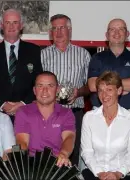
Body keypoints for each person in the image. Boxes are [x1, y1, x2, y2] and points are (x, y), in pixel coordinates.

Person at [41, 14, 91, 166]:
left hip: (74, 113)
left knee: (73, 156)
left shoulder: (83, 55)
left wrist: (78, 92)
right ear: (50, 33)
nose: (58, 32)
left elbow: (91, 86)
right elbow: (36, 85)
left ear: (70, 30)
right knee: (48, 156)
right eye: (54, 28)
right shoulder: (42, 55)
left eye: (62, 27)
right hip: (49, 114)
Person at [0, 9, 43, 121]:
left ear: (21, 25)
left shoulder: (34, 50)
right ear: (1, 25)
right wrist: (2, 104)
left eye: (15, 22)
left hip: (27, 113)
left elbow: (38, 82)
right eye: (7, 23)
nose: (11, 26)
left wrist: (23, 103)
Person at [81, 71, 130, 180]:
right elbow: (87, 152)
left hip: (121, 175)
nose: (104, 95)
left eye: (109, 90)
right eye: (100, 90)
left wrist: (118, 173)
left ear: (119, 91)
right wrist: (99, 173)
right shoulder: (88, 118)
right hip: (94, 174)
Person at [15, 71, 76, 167]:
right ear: (34, 90)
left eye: (50, 86)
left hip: (58, 163)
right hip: (31, 165)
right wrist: (23, 163)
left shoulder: (66, 113)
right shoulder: (23, 112)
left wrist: (64, 154)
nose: (44, 90)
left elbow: (69, 138)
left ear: (57, 89)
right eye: (40, 86)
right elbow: (22, 142)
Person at [88, 18, 130, 111]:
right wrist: (123, 87)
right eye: (112, 29)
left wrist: (103, 85)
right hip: (99, 112)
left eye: (121, 29)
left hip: (127, 113)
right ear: (107, 35)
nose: (116, 33)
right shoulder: (97, 58)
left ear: (127, 34)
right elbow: (92, 86)